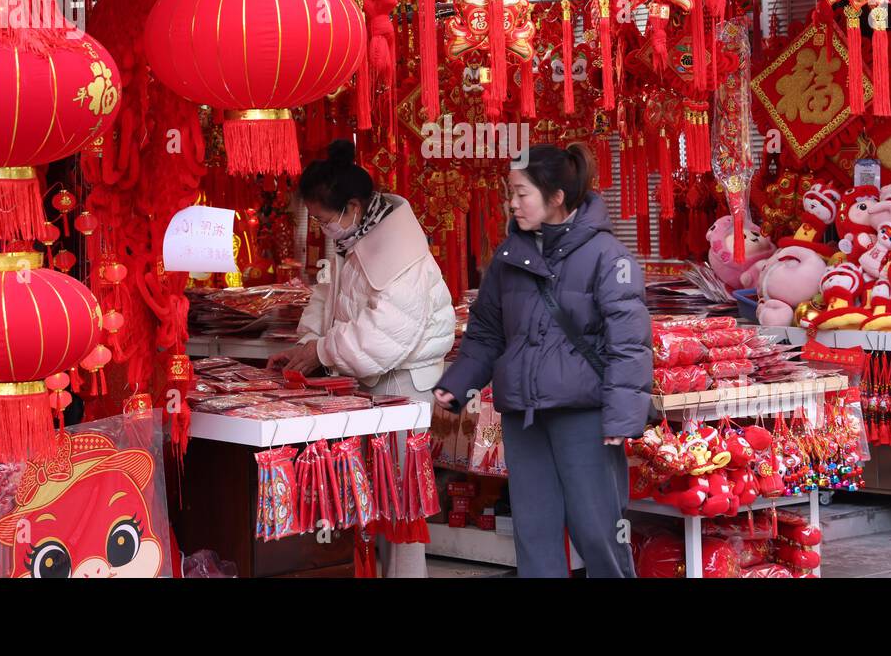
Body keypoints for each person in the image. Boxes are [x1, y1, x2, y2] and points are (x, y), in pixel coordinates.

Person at [434, 143, 652, 578]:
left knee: (599, 532)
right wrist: (458, 382)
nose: (512, 204)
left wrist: (622, 418)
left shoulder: (609, 257)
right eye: (510, 193)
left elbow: (630, 344)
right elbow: (487, 333)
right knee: (534, 533)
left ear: (555, 197)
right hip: (524, 417)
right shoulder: (508, 257)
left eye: (522, 193)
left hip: (583, 416)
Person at [274, 139, 456, 578]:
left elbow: (382, 337)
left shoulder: (400, 249)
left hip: (403, 383)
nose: (321, 229)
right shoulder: (352, 236)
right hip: (369, 381)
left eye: (322, 218)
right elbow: (327, 296)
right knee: (365, 495)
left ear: (352, 207)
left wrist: (318, 352)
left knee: (399, 500)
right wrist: (308, 344)